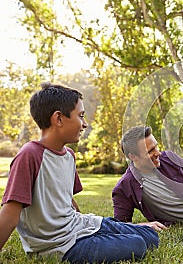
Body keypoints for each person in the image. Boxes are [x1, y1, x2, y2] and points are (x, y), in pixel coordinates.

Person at [0, 83, 159, 263]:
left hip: (78, 227)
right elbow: (10, 214)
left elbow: (67, 200)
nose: (85, 124)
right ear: (58, 119)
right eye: (81, 116)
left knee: (151, 236)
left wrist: (90, 228)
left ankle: (118, 229)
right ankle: (115, 232)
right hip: (59, 245)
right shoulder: (30, 155)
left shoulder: (69, 156)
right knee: (137, 245)